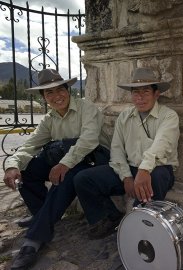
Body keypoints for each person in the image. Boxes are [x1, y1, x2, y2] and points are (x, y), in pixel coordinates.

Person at [3, 68, 111, 270]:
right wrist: (12, 165)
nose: (56, 96)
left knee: (64, 178)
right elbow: (29, 145)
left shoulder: (87, 108)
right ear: (44, 97)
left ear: (68, 90)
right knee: (27, 169)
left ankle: (33, 242)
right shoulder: (49, 119)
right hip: (68, 159)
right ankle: (43, 214)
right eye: (49, 93)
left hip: (94, 161)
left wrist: (64, 164)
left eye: (60, 89)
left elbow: (89, 141)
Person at [73, 67, 179, 239]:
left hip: (157, 168)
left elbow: (162, 144)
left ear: (156, 94)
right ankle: (109, 217)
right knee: (83, 179)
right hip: (130, 168)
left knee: (156, 179)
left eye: (145, 91)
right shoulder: (124, 117)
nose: (140, 97)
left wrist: (144, 170)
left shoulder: (169, 116)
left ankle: (139, 230)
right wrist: (126, 177)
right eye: (135, 92)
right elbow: (116, 150)